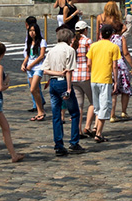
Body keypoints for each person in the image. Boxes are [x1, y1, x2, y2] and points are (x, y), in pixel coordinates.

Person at [42, 28, 84, 157]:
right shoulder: (69, 50)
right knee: (75, 113)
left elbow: (45, 70)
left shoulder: (52, 50)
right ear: (69, 39)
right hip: (63, 83)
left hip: (53, 82)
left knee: (56, 115)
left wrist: (57, 73)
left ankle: (58, 145)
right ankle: (74, 142)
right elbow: (69, 71)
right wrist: (69, 87)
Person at [86, 25, 120, 143]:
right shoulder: (113, 47)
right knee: (105, 106)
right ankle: (99, 133)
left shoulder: (94, 46)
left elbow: (89, 63)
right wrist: (116, 81)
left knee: (97, 106)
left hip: (94, 79)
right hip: (105, 79)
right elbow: (115, 65)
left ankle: (96, 127)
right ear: (111, 34)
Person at [21, 20, 47, 121]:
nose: (32, 32)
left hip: (38, 68)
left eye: (34, 31)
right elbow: (27, 56)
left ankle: (41, 111)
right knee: (35, 91)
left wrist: (31, 65)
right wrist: (24, 64)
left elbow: (41, 56)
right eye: (30, 31)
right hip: (30, 68)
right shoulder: (29, 42)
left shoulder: (42, 41)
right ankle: (40, 111)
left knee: (33, 89)